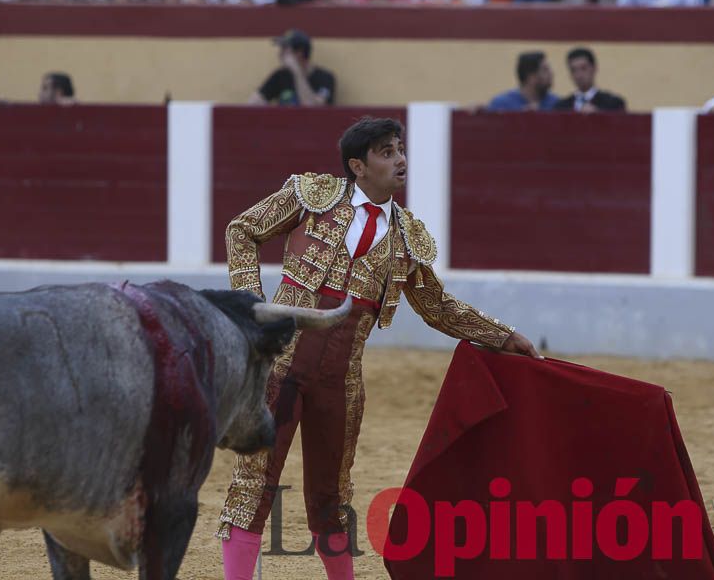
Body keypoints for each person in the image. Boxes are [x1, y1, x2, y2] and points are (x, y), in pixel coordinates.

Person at [218, 116, 540, 580]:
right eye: (387, 152)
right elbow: (241, 230)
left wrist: (503, 335)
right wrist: (251, 305)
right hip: (280, 367)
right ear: (358, 165)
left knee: (332, 496)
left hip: (342, 380)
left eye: (400, 149)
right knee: (253, 484)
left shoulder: (408, 237)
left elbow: (437, 307)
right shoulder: (312, 196)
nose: (400, 160)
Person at [249, 29, 335, 106]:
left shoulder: (325, 78)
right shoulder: (280, 76)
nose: (280, 54)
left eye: (284, 49)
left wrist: (296, 71)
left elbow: (313, 110)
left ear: (299, 52)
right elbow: (253, 104)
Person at [554, 46, 626, 112]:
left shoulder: (613, 104)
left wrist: (599, 115)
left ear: (594, 68)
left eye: (583, 68)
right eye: (573, 70)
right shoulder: (561, 107)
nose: (579, 75)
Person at [486, 50, 558, 110]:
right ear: (531, 76)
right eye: (545, 70)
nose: (552, 74)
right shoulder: (501, 105)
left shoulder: (556, 104)